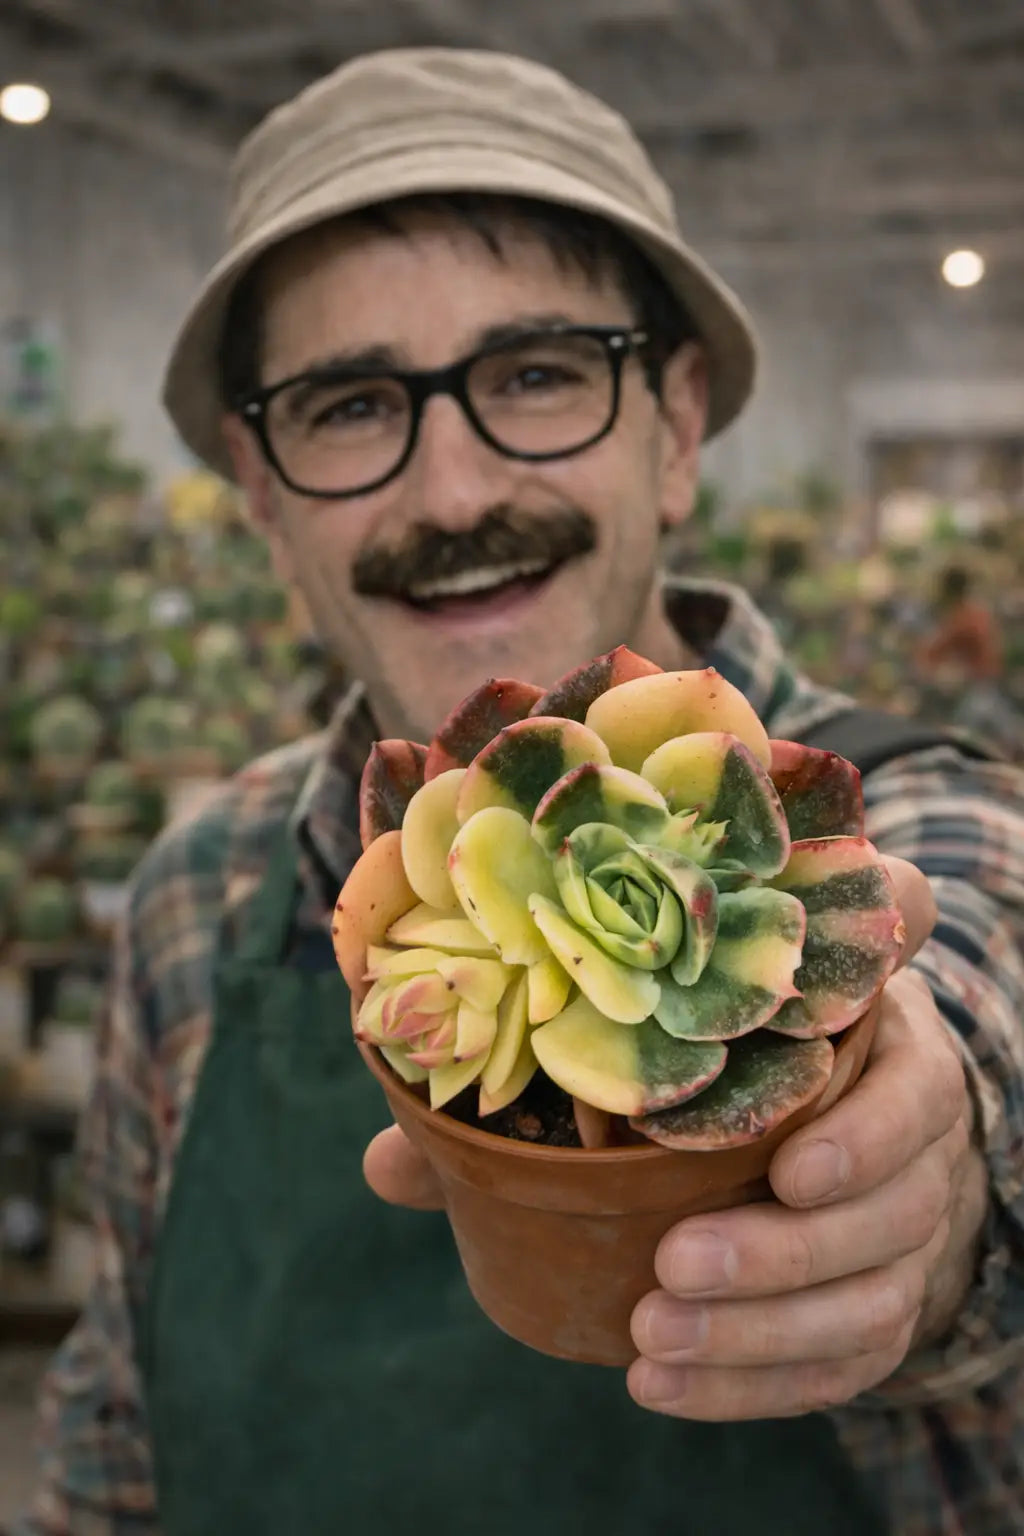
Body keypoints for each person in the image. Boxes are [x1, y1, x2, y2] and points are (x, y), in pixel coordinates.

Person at [16, 47, 1024, 1536]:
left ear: (676, 428)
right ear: (260, 491)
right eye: (350, 406)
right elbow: (114, 1444)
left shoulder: (926, 817)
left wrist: (927, 1201)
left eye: (537, 376)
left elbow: (979, 1001)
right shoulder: (199, 891)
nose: (453, 494)